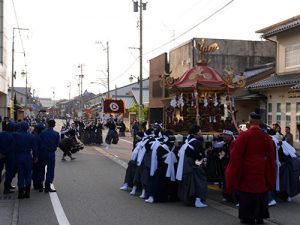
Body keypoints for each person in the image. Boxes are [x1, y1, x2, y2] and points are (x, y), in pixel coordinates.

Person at [225, 112, 276, 224]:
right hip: (261, 169)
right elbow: (271, 156)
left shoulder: (244, 135)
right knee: (260, 192)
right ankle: (260, 216)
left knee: (247, 193)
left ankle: (248, 217)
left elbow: (236, 152)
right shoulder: (266, 137)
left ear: (251, 121)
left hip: (247, 169)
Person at [176, 125, 207, 208]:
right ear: (196, 133)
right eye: (200, 131)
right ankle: (198, 200)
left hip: (185, 166)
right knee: (200, 182)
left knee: (188, 184)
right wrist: (200, 164)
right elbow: (199, 156)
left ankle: (189, 200)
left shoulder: (186, 140)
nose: (201, 132)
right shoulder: (196, 142)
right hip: (193, 165)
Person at [14, 121, 37, 199]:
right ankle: (27, 193)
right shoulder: (31, 136)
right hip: (27, 156)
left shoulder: (15, 135)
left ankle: (20, 193)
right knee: (28, 174)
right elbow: (34, 148)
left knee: (20, 174)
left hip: (18, 156)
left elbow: (12, 146)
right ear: (27, 127)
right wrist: (35, 157)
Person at [39, 119, 60, 193]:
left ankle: (40, 186)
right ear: (54, 125)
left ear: (47, 124)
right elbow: (57, 144)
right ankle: (47, 186)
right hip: (51, 153)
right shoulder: (56, 134)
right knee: (50, 169)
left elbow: (39, 142)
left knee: (41, 168)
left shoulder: (42, 133)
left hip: (42, 153)